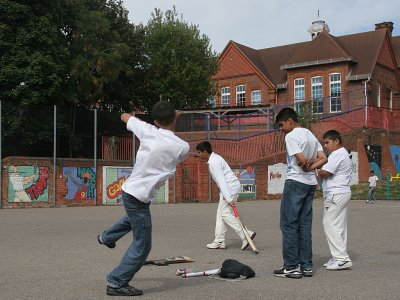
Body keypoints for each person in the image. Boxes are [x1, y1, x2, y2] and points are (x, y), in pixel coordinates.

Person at [98, 101, 190, 296]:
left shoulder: (147, 130)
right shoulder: (182, 147)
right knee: (143, 245)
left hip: (130, 190)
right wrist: (174, 117)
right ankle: (116, 282)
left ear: (155, 120)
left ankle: (106, 237)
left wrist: (140, 120)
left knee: (132, 219)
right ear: (175, 117)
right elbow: (176, 153)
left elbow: (124, 116)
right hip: (139, 197)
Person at [273, 107, 327, 279]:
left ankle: (291, 266)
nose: (281, 130)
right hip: (311, 184)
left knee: (288, 225)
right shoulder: (310, 134)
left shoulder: (291, 136)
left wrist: (307, 165)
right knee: (304, 226)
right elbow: (324, 158)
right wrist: (311, 167)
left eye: (281, 125)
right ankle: (306, 266)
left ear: (290, 121)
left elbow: (301, 161)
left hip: (295, 182)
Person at [195, 141, 256, 251]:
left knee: (224, 213)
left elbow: (222, 181)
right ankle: (219, 241)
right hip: (229, 188)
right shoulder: (215, 159)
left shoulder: (214, 162)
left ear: (204, 152)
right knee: (221, 213)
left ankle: (246, 235)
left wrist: (228, 197)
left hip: (229, 188)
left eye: (199, 153)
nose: (198, 155)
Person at [317, 130, 353, 270]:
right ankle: (338, 256)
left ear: (336, 141)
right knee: (338, 226)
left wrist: (318, 168)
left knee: (329, 223)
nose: (325, 145)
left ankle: (342, 258)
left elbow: (325, 173)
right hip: (340, 193)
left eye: (327, 142)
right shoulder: (339, 154)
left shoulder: (338, 154)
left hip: (336, 194)